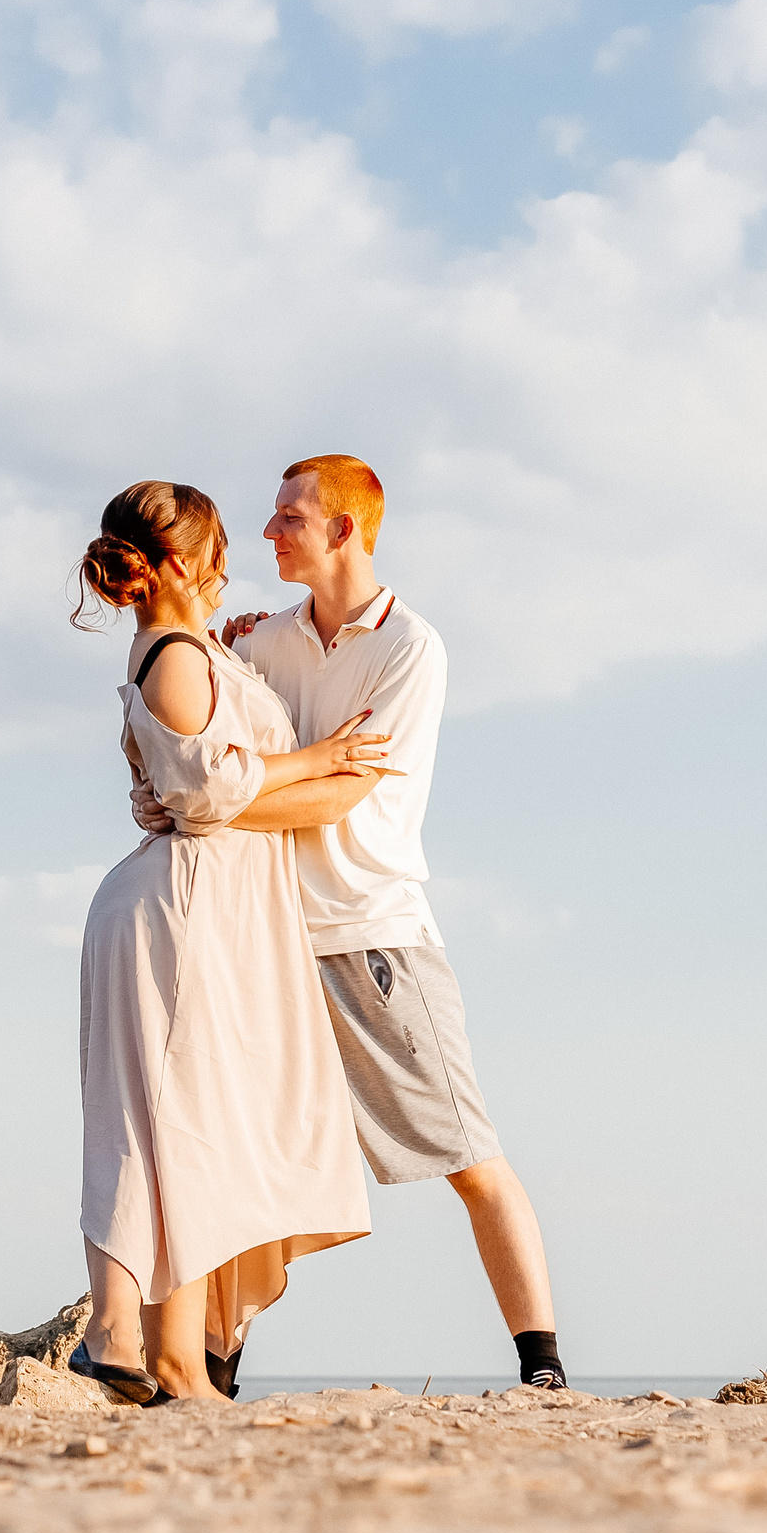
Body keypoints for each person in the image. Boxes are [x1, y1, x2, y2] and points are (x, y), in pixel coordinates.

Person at [136, 454, 569, 1392]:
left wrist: (200, 802)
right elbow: (195, 739)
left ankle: (542, 1367)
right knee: (248, 1157)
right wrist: (167, 787)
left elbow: (335, 793)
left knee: (467, 1153)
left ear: (344, 530)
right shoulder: (258, 642)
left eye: (288, 516)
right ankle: (215, 1361)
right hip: (261, 939)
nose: (267, 532)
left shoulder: (411, 647)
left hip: (370, 936)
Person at [69, 480, 397, 1405]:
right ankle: (131, 1340)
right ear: (176, 562)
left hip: (211, 908)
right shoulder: (171, 651)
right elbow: (207, 789)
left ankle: (166, 1350)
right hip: (177, 908)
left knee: (199, 1128)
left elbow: (195, 779)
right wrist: (320, 758)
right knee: (164, 1121)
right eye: (214, 552)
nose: (227, 567)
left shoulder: (202, 647)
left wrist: (246, 643)